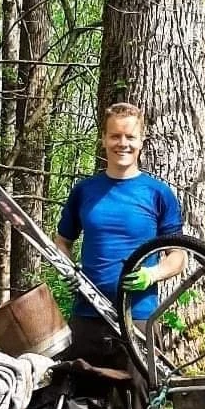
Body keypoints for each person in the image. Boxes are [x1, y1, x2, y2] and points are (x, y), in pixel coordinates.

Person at [55, 102, 185, 370]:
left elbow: (179, 256)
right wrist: (68, 270)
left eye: (130, 137)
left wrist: (152, 274)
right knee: (79, 407)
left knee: (140, 407)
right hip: (87, 315)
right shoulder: (84, 191)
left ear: (141, 141)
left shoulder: (158, 194)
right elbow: (62, 241)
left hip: (137, 318)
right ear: (103, 139)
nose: (122, 143)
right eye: (115, 136)